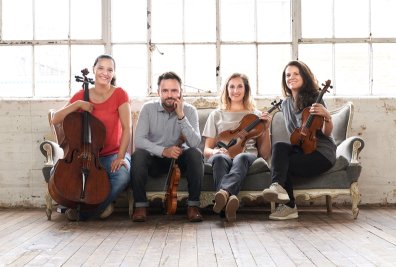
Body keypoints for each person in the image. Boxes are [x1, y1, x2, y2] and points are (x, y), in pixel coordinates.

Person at [51, 54, 132, 221]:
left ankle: (84, 213)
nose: (105, 73)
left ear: (114, 73)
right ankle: (100, 208)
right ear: (94, 69)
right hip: (82, 154)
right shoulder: (82, 94)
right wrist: (77, 104)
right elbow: (55, 119)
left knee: (122, 176)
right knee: (57, 172)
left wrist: (120, 157)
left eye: (110, 69)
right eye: (101, 68)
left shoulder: (120, 94)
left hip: (111, 154)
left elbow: (127, 129)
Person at [262, 60, 336, 220]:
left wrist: (327, 116)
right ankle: (277, 187)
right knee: (280, 147)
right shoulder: (286, 104)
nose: (291, 77)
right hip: (303, 149)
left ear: (304, 77)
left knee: (283, 163)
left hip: (321, 153)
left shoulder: (316, 98)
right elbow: (295, 136)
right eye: (288, 75)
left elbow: (326, 133)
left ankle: (289, 207)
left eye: (296, 74)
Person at [131, 71, 204, 223]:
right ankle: (140, 206)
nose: (169, 95)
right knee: (138, 155)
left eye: (174, 90)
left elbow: (195, 143)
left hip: (179, 160)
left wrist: (181, 116)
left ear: (180, 92)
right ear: (158, 92)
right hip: (155, 159)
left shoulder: (190, 110)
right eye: (165, 91)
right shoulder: (148, 109)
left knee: (195, 154)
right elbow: (139, 140)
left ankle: (193, 206)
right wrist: (164, 151)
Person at [202, 73, 272, 222]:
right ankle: (228, 204)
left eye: (240, 86)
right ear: (226, 90)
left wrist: (266, 129)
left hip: (247, 155)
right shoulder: (216, 115)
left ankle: (224, 194)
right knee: (220, 158)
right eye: (231, 86)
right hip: (223, 154)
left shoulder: (256, 115)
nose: (235, 90)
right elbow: (207, 149)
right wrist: (215, 151)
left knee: (241, 156)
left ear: (246, 89)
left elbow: (265, 154)